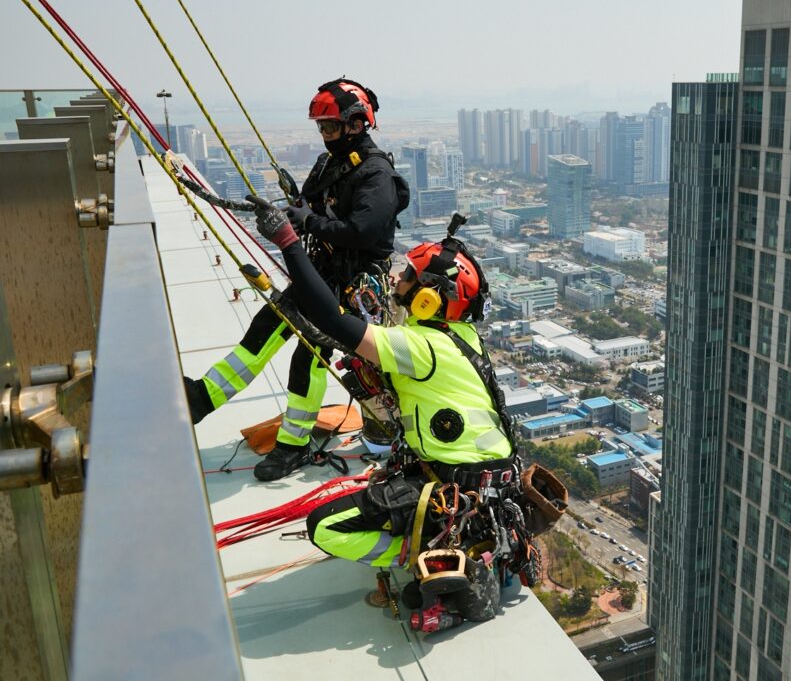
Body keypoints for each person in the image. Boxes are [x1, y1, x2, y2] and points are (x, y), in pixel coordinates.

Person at [251, 202, 567, 629]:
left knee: (325, 527)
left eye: (407, 276)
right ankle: (465, 546)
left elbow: (332, 319)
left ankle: (422, 555)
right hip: (484, 484)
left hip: (457, 485)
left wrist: (289, 242)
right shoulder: (460, 334)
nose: (397, 279)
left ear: (426, 297)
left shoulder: (420, 347)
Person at [183, 78, 409, 482]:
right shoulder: (331, 165)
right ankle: (199, 399)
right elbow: (311, 203)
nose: (325, 136)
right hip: (321, 272)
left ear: (357, 124)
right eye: (321, 128)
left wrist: (308, 221)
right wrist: (297, 210)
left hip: (349, 285)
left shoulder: (376, 175)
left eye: (331, 127)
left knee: (308, 360)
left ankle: (293, 443)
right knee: (264, 332)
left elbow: (361, 231)